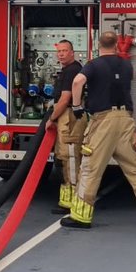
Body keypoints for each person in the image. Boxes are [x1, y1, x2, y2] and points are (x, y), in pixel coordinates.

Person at [61, 30, 136, 229]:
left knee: (91, 168)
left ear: (98, 45)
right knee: (135, 168)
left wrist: (76, 106)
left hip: (103, 121)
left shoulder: (93, 65)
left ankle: (81, 216)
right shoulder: (126, 65)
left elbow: (77, 81)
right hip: (125, 119)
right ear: (116, 45)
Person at [46, 40, 84, 214]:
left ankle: (75, 200)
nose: (61, 54)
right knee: (63, 159)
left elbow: (65, 99)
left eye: (64, 51)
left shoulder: (72, 71)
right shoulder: (68, 70)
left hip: (68, 118)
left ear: (72, 52)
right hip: (65, 117)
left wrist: (51, 118)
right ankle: (66, 200)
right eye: (59, 51)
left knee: (71, 159)